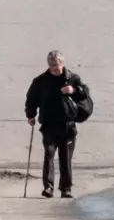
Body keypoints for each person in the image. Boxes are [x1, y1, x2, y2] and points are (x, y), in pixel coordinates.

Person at [23, 50, 91, 199]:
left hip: (68, 125)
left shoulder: (72, 78)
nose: (54, 68)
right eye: (51, 65)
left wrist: (73, 90)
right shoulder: (40, 81)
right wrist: (30, 115)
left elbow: (85, 93)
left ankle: (66, 189)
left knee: (65, 158)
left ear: (63, 63)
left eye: (57, 64)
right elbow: (31, 99)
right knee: (49, 155)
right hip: (49, 125)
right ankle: (48, 187)